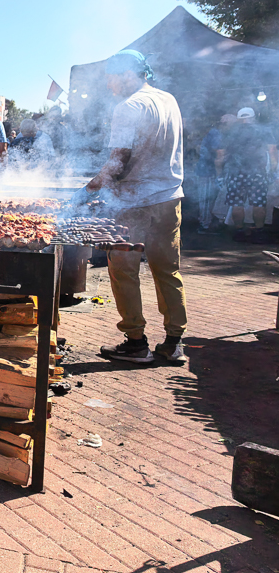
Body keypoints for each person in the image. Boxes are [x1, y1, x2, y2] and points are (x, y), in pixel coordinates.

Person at [87, 49, 187, 365]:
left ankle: (135, 342)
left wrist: (90, 186)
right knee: (167, 269)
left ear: (128, 74)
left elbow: (119, 161)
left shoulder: (128, 107)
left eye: (112, 78)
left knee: (123, 270)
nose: (110, 86)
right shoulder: (169, 100)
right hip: (169, 197)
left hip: (133, 204)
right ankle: (174, 342)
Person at [219, 106, 278, 241]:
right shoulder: (264, 130)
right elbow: (272, 151)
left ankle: (239, 231)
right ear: (253, 117)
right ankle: (259, 232)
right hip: (257, 172)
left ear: (240, 119)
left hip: (235, 172)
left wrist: (221, 173)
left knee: (236, 203)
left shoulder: (231, 132)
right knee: (258, 203)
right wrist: (273, 171)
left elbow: (222, 154)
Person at [196, 114, 235, 234]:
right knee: (206, 199)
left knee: (210, 199)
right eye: (232, 124)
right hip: (207, 172)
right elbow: (219, 156)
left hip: (208, 170)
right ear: (226, 124)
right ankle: (205, 226)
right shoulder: (216, 134)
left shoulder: (217, 133)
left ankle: (208, 222)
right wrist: (219, 176)